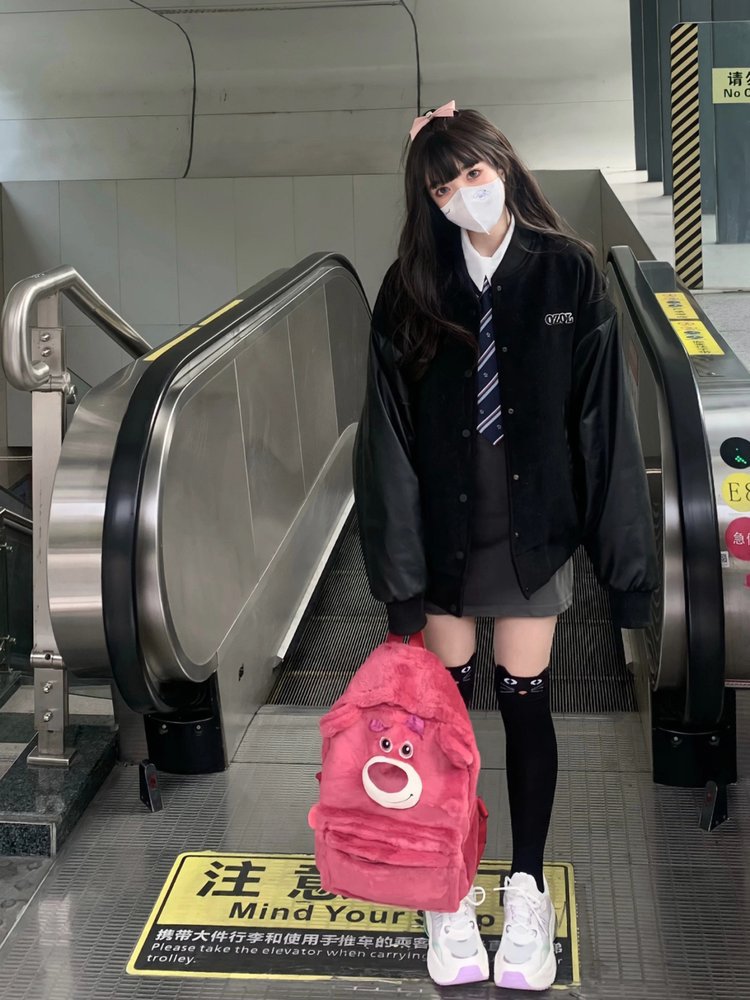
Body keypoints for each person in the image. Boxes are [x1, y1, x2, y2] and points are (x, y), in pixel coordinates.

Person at [352, 102, 659, 991]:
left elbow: (603, 427)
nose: (464, 194)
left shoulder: (569, 272)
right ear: (428, 200)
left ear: (505, 167)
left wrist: (627, 575)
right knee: (442, 720)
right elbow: (386, 441)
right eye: (443, 186)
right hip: (445, 540)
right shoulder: (411, 285)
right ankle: (447, 890)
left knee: (527, 706)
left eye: (474, 174)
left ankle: (526, 888)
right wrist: (399, 580)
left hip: (533, 537)